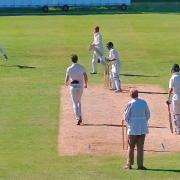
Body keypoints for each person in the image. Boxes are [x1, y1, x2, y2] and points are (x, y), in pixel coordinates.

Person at [124, 89, 150, 170]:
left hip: (133, 128)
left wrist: (130, 123)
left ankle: (129, 164)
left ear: (131, 95)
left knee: (131, 147)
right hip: (142, 127)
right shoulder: (143, 102)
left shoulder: (130, 103)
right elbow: (148, 114)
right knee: (140, 147)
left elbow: (126, 117)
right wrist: (143, 121)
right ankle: (140, 165)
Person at [65, 54, 88, 125]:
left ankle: (78, 117)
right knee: (78, 101)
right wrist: (85, 84)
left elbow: (66, 79)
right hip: (80, 87)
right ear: (77, 59)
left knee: (75, 103)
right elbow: (85, 76)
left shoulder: (69, 68)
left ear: (71, 60)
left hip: (73, 87)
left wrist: (66, 83)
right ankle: (80, 116)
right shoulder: (81, 67)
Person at [167, 64, 180, 134]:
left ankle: (178, 129)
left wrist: (168, 99)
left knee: (176, 114)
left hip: (176, 98)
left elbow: (170, 89)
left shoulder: (173, 78)